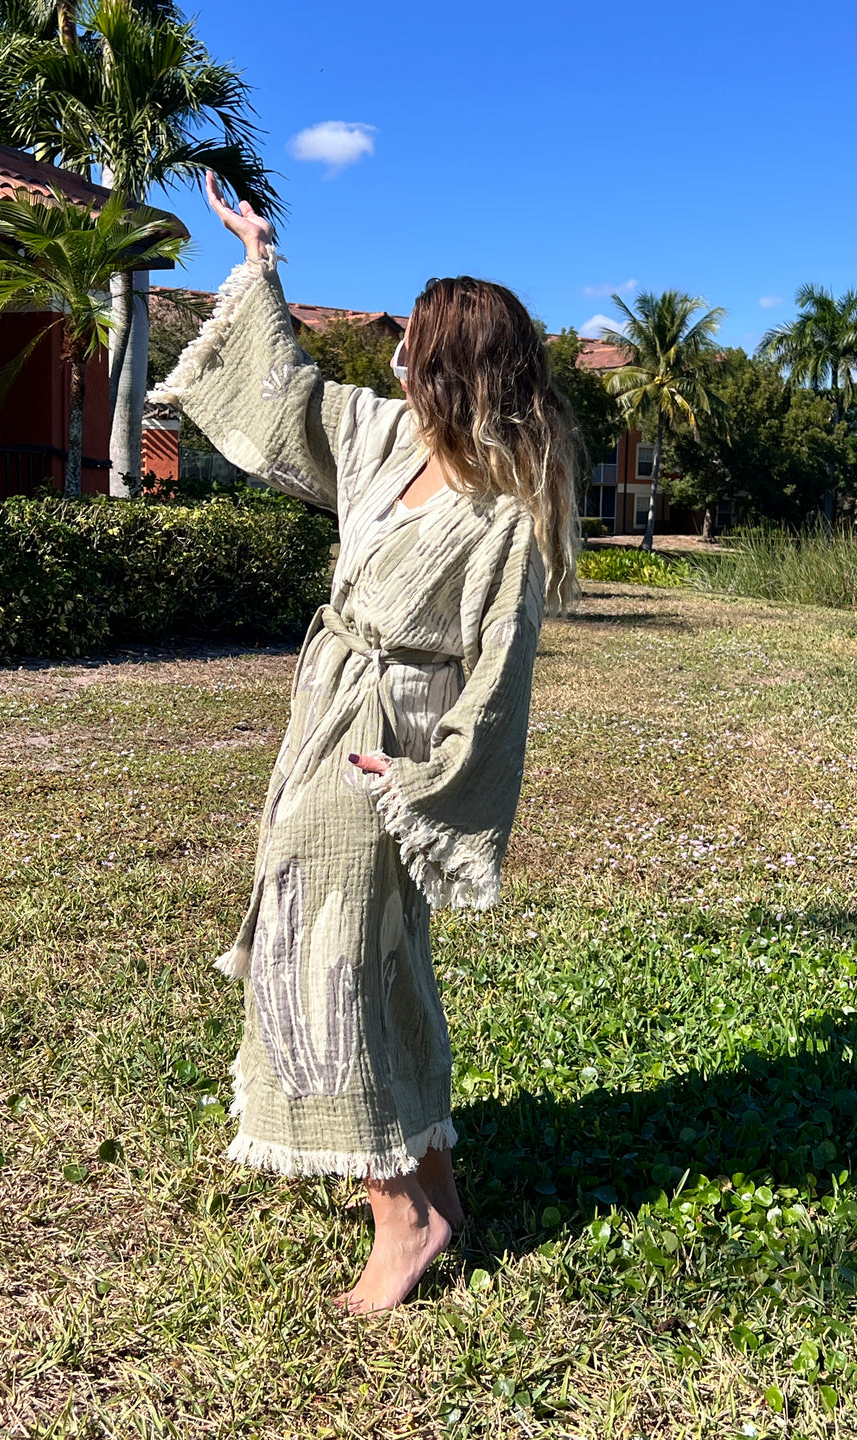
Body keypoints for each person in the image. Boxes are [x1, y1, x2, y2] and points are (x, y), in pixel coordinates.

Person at [150, 173, 579, 1313]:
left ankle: (405, 1220)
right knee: (366, 956)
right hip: (322, 716)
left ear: (452, 368)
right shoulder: (384, 438)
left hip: (386, 749)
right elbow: (284, 393)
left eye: (412, 346)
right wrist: (261, 267)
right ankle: (431, 1185)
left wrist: (431, 774)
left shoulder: (505, 513)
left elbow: (499, 681)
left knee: (330, 960)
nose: (391, 360)